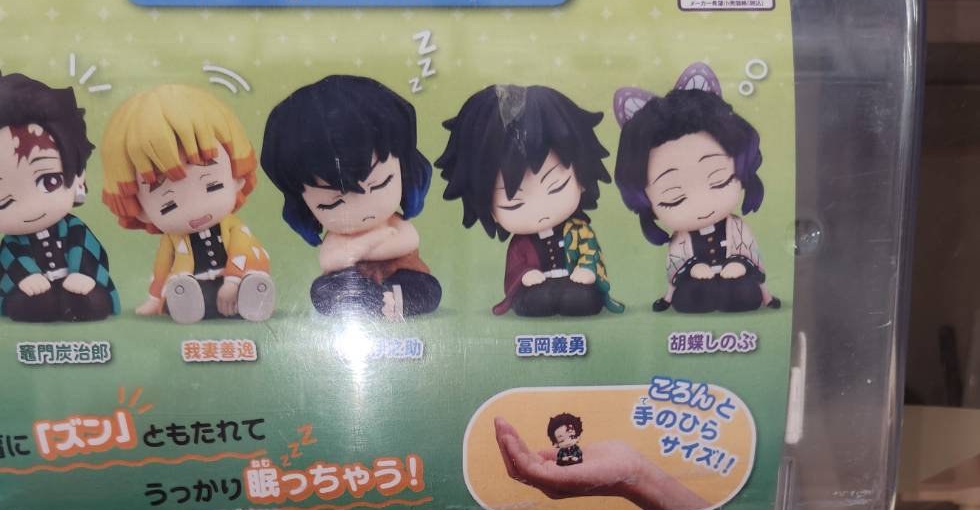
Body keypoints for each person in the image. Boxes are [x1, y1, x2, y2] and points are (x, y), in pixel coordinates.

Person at [0, 70, 118, 322]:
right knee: (32, 304)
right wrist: (26, 277)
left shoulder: (76, 230)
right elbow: (6, 263)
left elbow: (91, 251)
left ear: (78, 176)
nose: (32, 207)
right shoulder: (13, 244)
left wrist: (83, 274)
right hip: (32, 292)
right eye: (3, 200)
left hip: (78, 285)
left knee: (91, 300)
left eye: (50, 181)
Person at [260, 74, 440, 320]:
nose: (363, 208)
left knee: (428, 288)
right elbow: (330, 260)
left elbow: (409, 241)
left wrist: (358, 249)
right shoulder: (340, 237)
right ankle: (370, 302)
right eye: (333, 202)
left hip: (399, 275)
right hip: (353, 282)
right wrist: (373, 240)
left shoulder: (396, 224)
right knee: (323, 291)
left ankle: (395, 300)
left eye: (380, 184)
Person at [436, 83, 623, 317]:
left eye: (557, 187)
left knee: (582, 298)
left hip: (574, 283)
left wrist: (587, 269)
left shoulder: (580, 231)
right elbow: (516, 268)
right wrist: (525, 274)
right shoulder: (520, 245)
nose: (540, 210)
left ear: (582, 178)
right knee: (535, 300)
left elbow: (590, 252)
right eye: (514, 203)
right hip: (538, 288)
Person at [613, 62, 779, 313]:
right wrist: (691, 269)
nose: (701, 203)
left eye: (719, 180)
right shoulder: (681, 240)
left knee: (743, 293)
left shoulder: (736, 228)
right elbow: (675, 266)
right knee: (692, 296)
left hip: (738, 277)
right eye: (674, 197)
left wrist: (739, 264)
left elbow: (752, 255)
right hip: (694, 283)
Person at [101, 83, 274, 323]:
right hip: (197, 284)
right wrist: (155, 299)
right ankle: (186, 302)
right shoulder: (172, 240)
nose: (196, 209)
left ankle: (252, 293)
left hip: (234, 281)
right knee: (184, 289)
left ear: (237, 177)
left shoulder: (234, 228)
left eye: (213, 186)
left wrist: (232, 281)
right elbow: (162, 268)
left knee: (246, 283)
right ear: (142, 212)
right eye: (168, 205)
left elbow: (243, 249)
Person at [495, 418, 707, 510]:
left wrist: (637, 473)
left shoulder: (574, 452)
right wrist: (638, 475)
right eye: (560, 437)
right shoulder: (566, 452)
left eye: (569, 434)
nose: (566, 439)